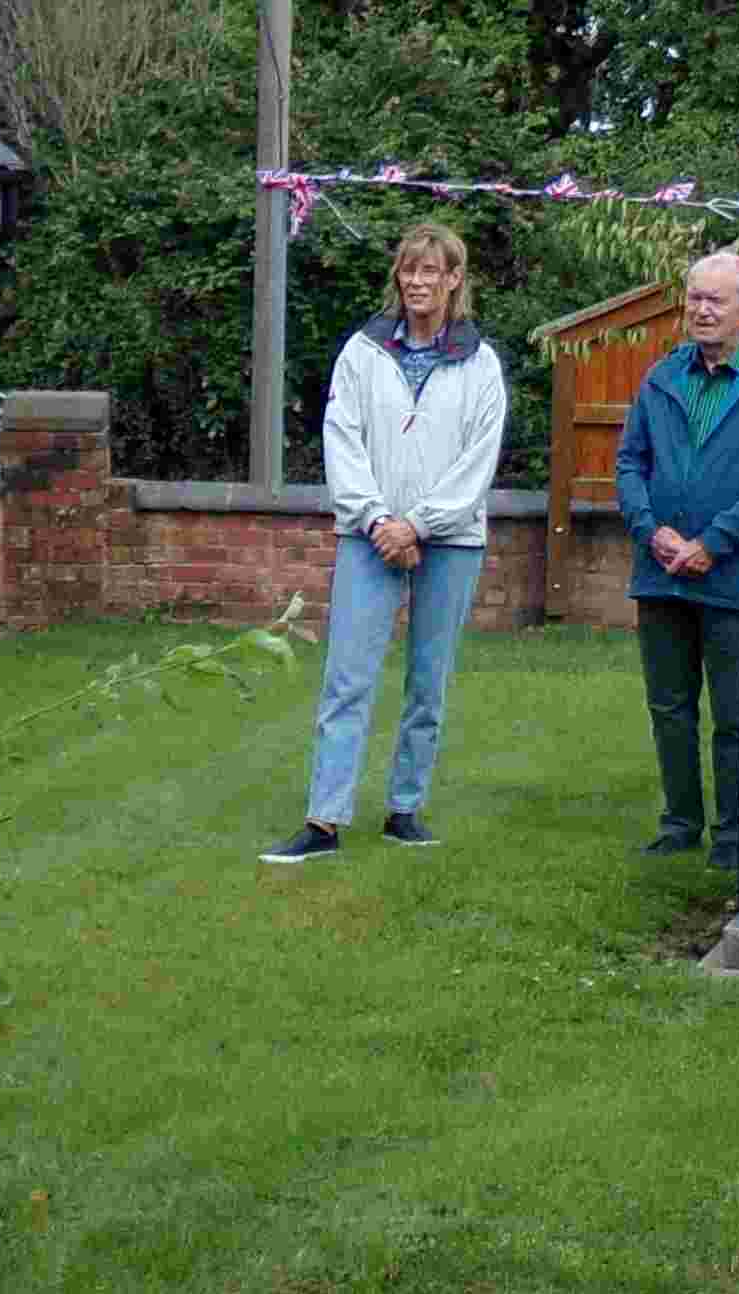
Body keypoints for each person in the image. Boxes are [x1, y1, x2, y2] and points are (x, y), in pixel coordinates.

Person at [262, 221, 508, 864]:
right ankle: (324, 821)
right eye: (409, 270)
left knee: (429, 681)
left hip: (450, 541)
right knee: (347, 678)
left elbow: (479, 461)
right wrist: (377, 522)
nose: (418, 282)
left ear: (455, 280)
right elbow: (340, 439)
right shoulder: (363, 352)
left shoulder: (481, 365)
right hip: (367, 536)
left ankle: (404, 809)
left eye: (432, 271)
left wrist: (420, 525)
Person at [614, 250, 739, 870]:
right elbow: (630, 462)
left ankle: (733, 837)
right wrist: (653, 532)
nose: (700, 309)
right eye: (694, 298)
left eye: (715, 300)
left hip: (733, 577)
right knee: (669, 708)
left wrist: (714, 542)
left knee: (734, 715)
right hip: (660, 572)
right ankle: (679, 824)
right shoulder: (662, 376)